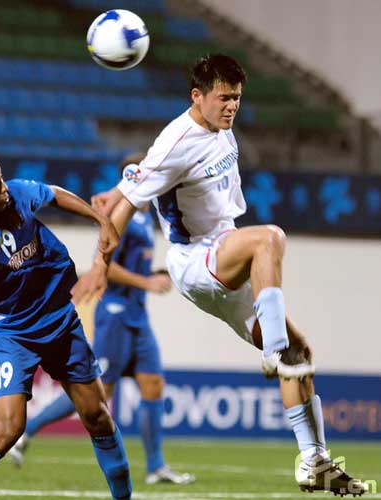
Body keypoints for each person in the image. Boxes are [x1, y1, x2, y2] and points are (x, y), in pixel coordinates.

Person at [71, 54, 368, 497]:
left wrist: (118, 184)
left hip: (224, 253)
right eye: (224, 98)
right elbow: (124, 208)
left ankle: (314, 461)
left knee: (299, 352)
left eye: (238, 98)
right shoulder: (178, 139)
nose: (232, 106)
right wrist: (99, 263)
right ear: (197, 96)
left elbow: (139, 174)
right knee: (269, 238)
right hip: (195, 258)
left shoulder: (221, 131)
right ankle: (274, 351)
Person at [0, 148, 132, 500]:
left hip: (60, 319)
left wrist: (101, 220)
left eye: (1, 179)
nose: (5, 189)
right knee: (7, 429)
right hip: (13, 332)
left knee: (97, 416)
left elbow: (54, 194)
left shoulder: (14, 194)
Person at [8, 154, 195, 486]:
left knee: (153, 385)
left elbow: (132, 265)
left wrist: (153, 275)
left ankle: (155, 467)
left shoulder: (144, 215)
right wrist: (147, 282)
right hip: (115, 315)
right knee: (98, 392)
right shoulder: (119, 213)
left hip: (138, 317)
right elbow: (105, 265)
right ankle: (25, 432)